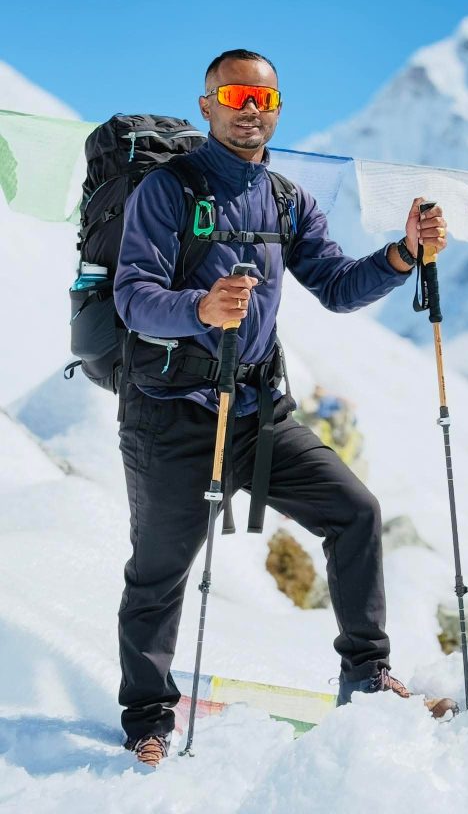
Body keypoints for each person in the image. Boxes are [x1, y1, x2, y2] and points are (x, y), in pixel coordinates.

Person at [113, 49, 451, 766]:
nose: (250, 109)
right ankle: (147, 719)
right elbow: (132, 294)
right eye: (235, 95)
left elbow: (333, 283)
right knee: (159, 572)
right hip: (170, 416)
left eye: (264, 100)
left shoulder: (287, 200)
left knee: (354, 512)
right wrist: (199, 306)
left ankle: (365, 677)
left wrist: (401, 256)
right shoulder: (167, 191)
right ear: (206, 105)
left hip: (259, 418)